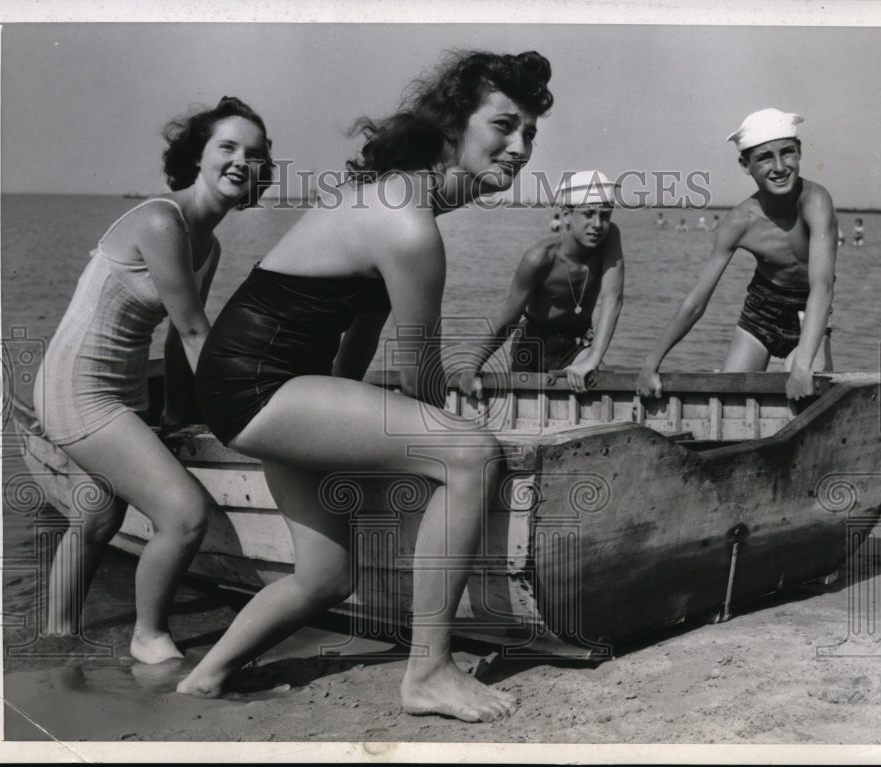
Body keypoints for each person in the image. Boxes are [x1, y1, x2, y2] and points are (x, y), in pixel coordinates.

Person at [177, 50, 554, 723]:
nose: (520, 147)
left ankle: (204, 676)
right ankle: (430, 672)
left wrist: (356, 417)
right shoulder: (409, 226)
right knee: (467, 452)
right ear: (453, 127)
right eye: (503, 126)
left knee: (325, 577)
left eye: (529, 133)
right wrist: (450, 440)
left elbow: (358, 340)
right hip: (261, 387)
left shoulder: (395, 200)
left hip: (255, 385)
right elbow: (419, 379)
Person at [33, 97, 274, 663]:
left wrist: (177, 415)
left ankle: (56, 641)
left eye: (256, 155)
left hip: (124, 391)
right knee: (184, 515)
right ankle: (148, 638)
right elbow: (195, 335)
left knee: (99, 514)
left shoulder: (206, 243)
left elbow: (174, 339)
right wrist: (244, 415)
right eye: (228, 147)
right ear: (198, 156)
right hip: (77, 386)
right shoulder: (161, 220)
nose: (243, 161)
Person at [637, 108, 837, 401]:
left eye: (787, 153)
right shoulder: (739, 221)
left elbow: (823, 286)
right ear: (745, 165)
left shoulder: (816, 201)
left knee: (809, 397)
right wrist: (651, 363)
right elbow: (696, 301)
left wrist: (802, 367)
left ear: (800, 152)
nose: (780, 167)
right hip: (760, 312)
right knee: (731, 402)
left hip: (809, 311)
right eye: (765, 158)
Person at [456, 170, 624, 395]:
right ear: (566, 215)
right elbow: (508, 319)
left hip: (578, 339)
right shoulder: (540, 258)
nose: (597, 224)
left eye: (605, 216)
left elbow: (613, 300)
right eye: (588, 214)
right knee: (523, 406)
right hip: (534, 342)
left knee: (595, 382)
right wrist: (472, 366)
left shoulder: (610, 237)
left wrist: (593, 358)